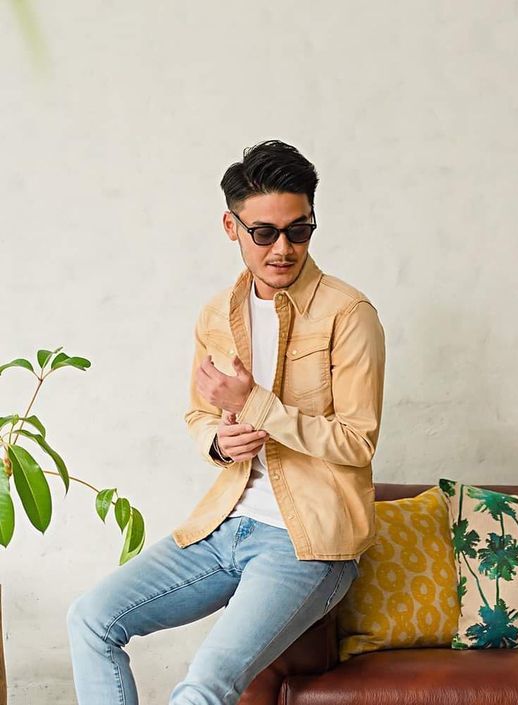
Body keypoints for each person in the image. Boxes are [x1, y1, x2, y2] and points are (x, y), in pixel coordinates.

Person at [66, 139, 386, 705]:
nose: (283, 248)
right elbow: (199, 414)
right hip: (222, 526)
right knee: (91, 619)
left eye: (299, 230)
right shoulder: (216, 315)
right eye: (264, 232)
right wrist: (218, 441)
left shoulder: (348, 313)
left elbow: (357, 442)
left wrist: (257, 404)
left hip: (308, 545)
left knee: (204, 686)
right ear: (231, 227)